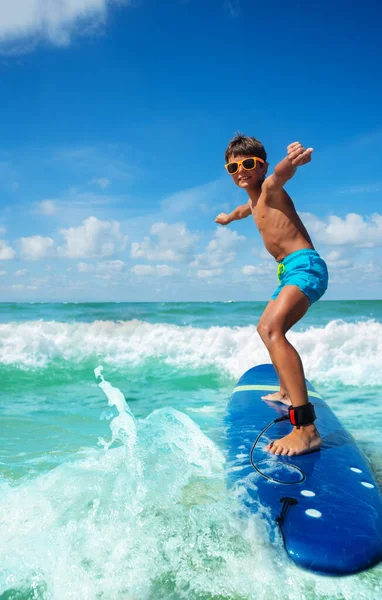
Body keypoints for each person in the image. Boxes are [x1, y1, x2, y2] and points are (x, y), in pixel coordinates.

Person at [216, 134, 328, 456]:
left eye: (249, 164)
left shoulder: (269, 189)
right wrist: (226, 218)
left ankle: (305, 428)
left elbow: (280, 175)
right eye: (233, 166)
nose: (241, 170)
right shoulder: (252, 203)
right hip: (288, 273)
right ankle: (285, 391)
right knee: (265, 328)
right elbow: (241, 211)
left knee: (272, 329)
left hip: (304, 266)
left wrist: (290, 162)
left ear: (261, 166)